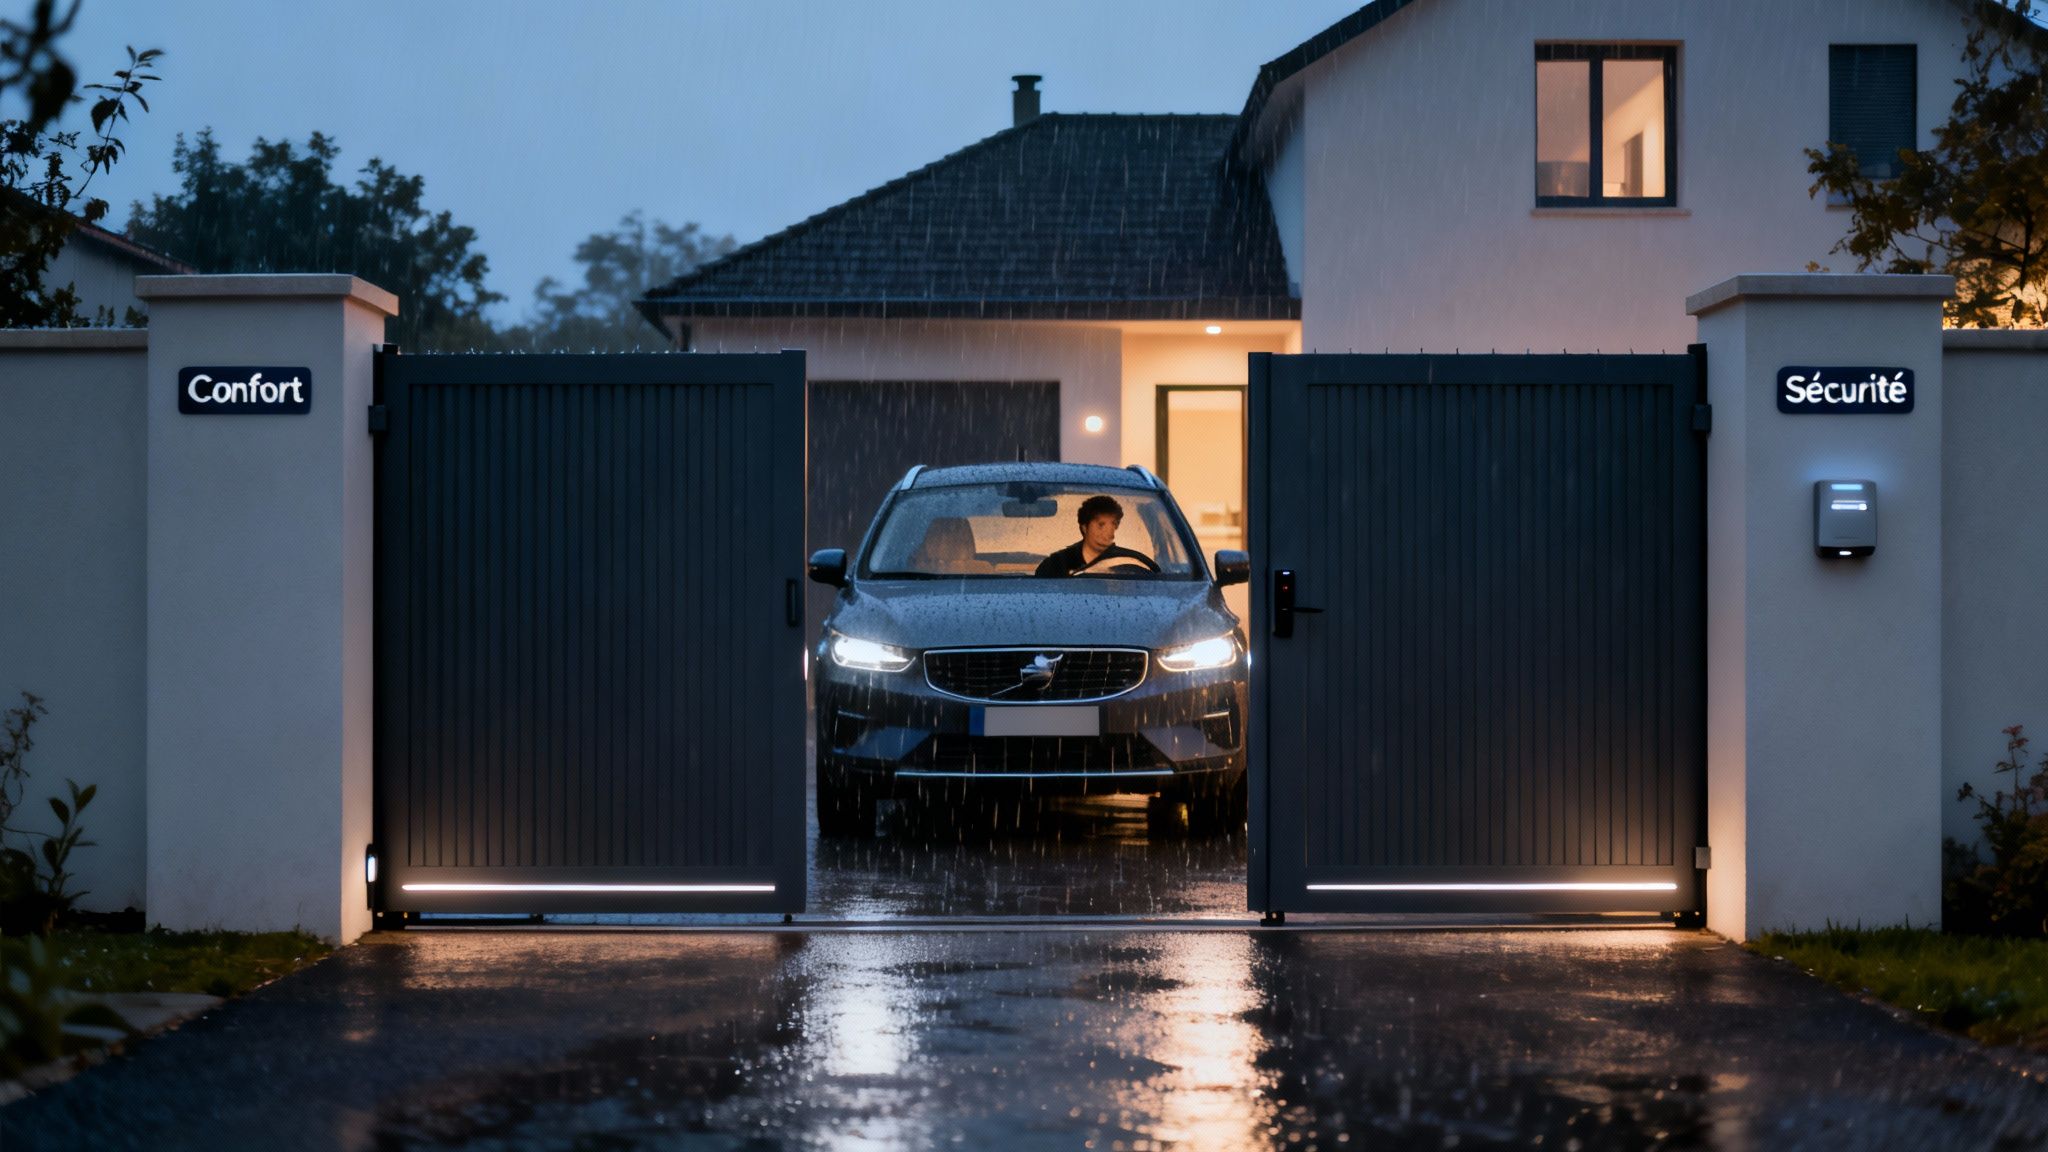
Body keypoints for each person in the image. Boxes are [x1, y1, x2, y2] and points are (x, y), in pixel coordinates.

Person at [1035, 494, 1158, 576]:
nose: (1107, 531)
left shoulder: (1138, 565)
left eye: (1113, 524)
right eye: (1101, 525)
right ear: (1084, 527)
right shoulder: (1054, 566)